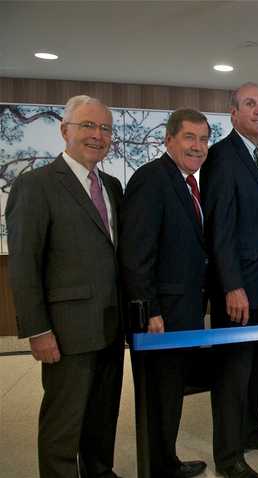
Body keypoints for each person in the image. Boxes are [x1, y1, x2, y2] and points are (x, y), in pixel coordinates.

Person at [6, 95, 124, 478]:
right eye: (88, 126)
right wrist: (38, 330)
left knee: (102, 418)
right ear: (64, 131)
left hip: (110, 327)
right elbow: (24, 266)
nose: (98, 135)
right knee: (63, 425)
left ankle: (99, 472)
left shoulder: (112, 186)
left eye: (105, 128)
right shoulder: (36, 186)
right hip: (66, 332)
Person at [119, 108, 211, 478]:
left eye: (204, 139)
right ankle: (158, 465)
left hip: (183, 309)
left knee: (171, 393)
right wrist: (150, 309)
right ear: (169, 139)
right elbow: (136, 253)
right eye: (190, 137)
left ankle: (165, 460)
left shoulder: (188, 182)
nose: (198, 146)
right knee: (160, 395)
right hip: (162, 315)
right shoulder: (152, 179)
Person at [201, 82, 258, 478]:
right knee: (233, 374)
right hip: (239, 289)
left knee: (255, 370)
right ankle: (228, 455)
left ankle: (250, 431)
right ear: (232, 113)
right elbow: (220, 228)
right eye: (250, 104)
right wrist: (232, 285)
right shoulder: (221, 156)